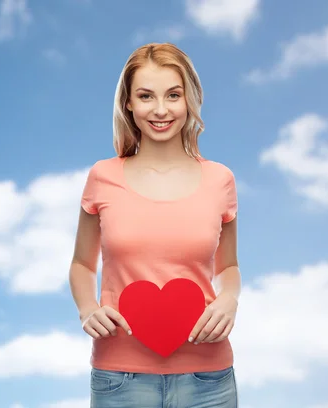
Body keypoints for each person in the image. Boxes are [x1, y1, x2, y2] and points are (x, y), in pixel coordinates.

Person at [68, 42, 241, 407]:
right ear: (128, 103)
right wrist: (88, 309)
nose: (161, 110)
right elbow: (83, 264)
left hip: (209, 380)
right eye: (146, 96)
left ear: (189, 99)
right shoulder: (103, 177)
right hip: (120, 380)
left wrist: (229, 299)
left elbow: (228, 267)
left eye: (173, 95)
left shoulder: (220, 180)